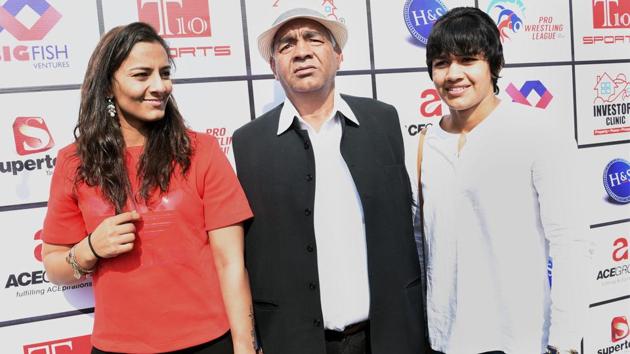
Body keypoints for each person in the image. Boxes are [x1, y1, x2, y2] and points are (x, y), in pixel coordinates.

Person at [41, 22, 258, 354]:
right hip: (117, 347)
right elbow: (54, 265)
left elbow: (230, 262)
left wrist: (245, 344)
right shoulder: (74, 163)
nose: (160, 86)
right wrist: (90, 249)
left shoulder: (201, 151)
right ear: (108, 86)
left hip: (208, 343)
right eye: (142, 75)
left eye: (165, 73)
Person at [232, 7, 426, 354]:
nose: (302, 51)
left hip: (389, 336)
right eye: (287, 44)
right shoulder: (249, 144)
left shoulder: (383, 121)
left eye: (314, 39)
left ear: (338, 56)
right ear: (273, 67)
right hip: (296, 342)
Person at [417, 7, 590, 354]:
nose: (453, 74)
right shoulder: (423, 144)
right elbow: (421, 244)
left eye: (467, 60)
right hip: (443, 339)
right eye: (441, 63)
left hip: (520, 339)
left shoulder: (538, 132)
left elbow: (570, 241)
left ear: (493, 66)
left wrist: (567, 340)